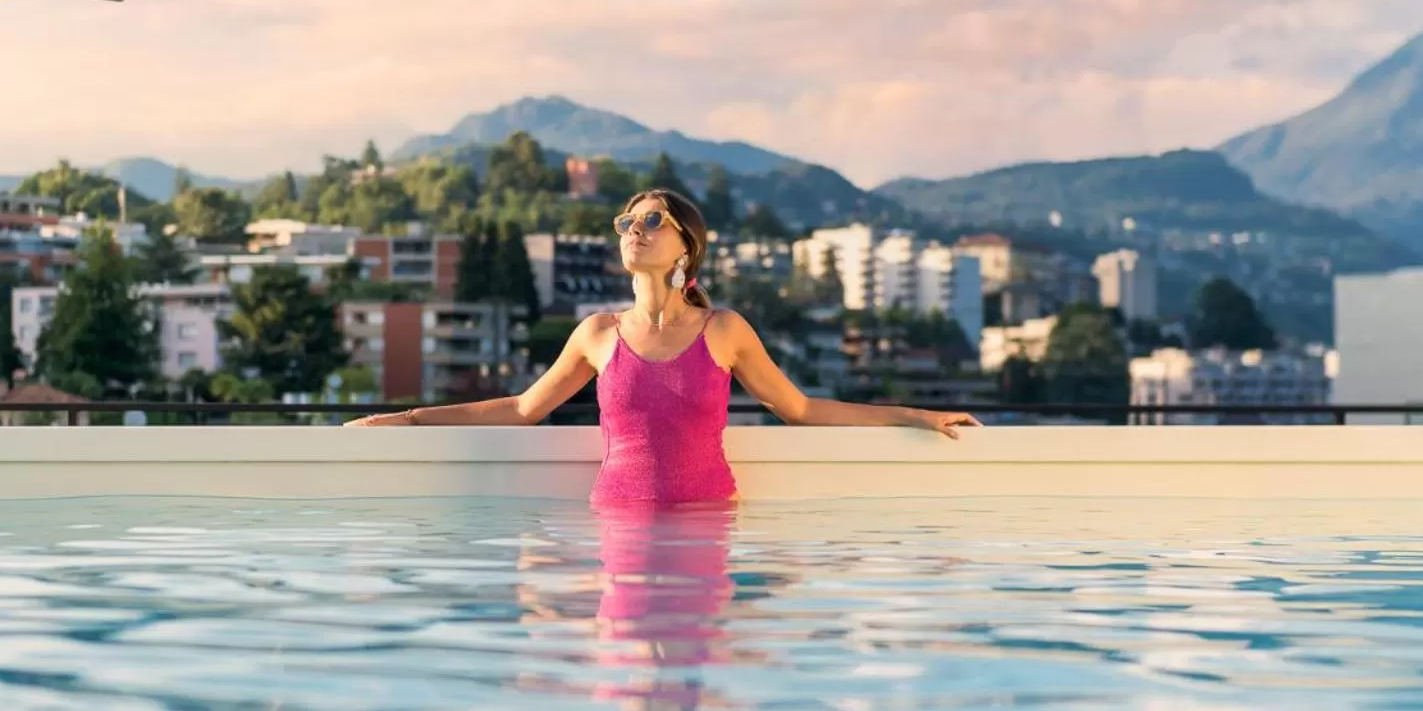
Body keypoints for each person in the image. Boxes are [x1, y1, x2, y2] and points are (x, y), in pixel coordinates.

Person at [345, 188, 980, 506]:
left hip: (708, 523)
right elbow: (520, 409)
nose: (635, 231)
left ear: (686, 248)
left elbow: (803, 410)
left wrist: (917, 416)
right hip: (617, 523)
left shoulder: (724, 330)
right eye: (627, 223)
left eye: (652, 222)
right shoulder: (596, 334)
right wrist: (403, 418)